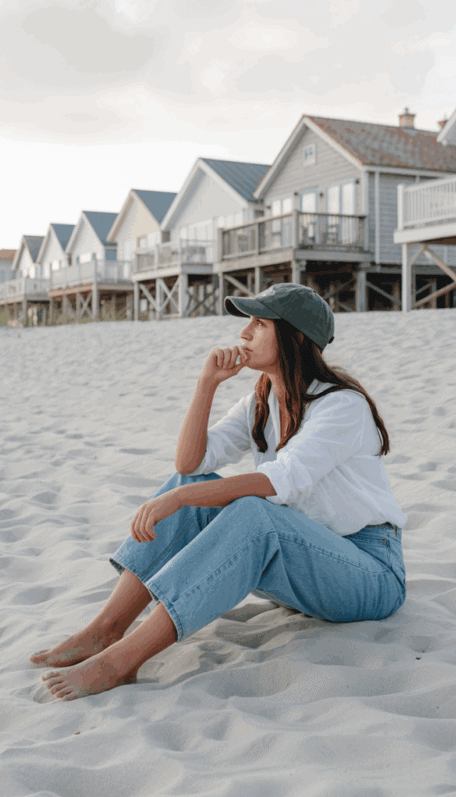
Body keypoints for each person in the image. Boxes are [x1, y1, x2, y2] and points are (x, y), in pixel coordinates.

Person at [33, 283, 407, 701]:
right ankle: (106, 629)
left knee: (250, 512)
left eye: (260, 323)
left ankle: (121, 663)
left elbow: (278, 481)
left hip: (369, 574)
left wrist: (176, 500)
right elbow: (189, 464)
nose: (244, 333)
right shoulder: (261, 399)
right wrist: (206, 383)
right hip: (306, 560)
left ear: (296, 338)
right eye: (247, 321)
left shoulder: (341, 406)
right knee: (191, 486)